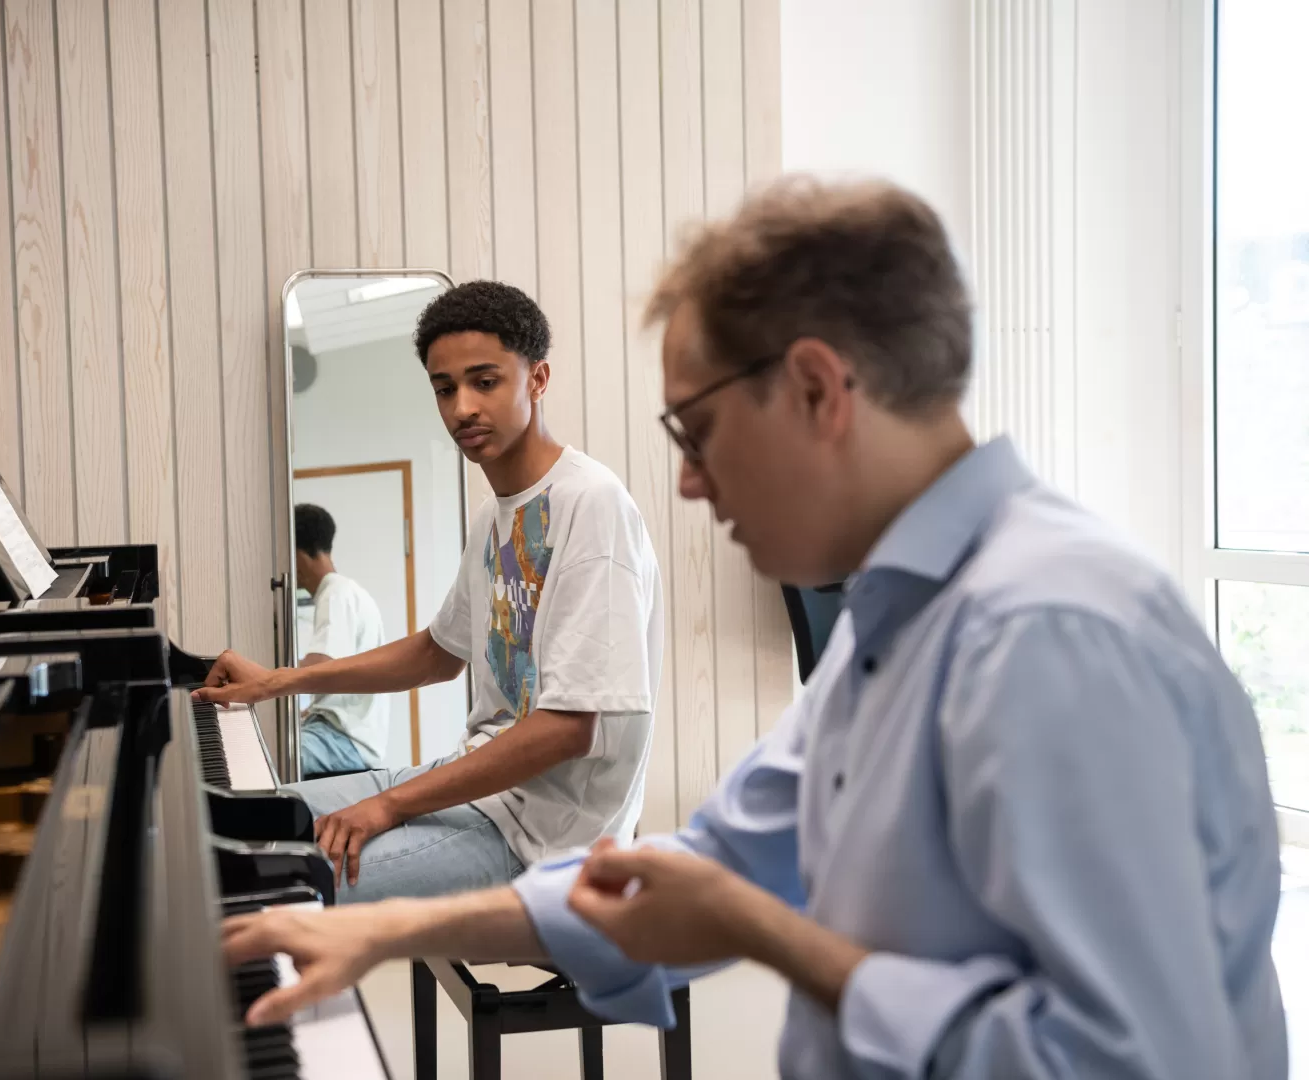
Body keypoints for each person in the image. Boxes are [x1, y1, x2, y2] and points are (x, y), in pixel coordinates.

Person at [216, 177, 1288, 1079]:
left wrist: (768, 934)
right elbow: (704, 868)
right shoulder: (891, 634)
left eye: (700, 429)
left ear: (818, 389)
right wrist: (373, 929)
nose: (687, 482)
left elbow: (1136, 1060)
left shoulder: (1050, 636)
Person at [196, 281, 663, 905]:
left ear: (538, 378)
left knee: (257, 884)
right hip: (478, 790)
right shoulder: (493, 517)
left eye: (485, 381)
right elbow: (438, 653)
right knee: (231, 822)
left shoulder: (591, 504)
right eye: (445, 389)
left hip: (545, 842)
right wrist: (278, 681)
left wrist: (386, 806)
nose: (462, 407)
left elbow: (567, 729)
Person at [290, 502, 389, 775]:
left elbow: (318, 669)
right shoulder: (345, 592)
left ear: (297, 555)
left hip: (345, 741)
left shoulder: (336, 593)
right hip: (343, 735)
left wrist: (263, 675)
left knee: (266, 760)